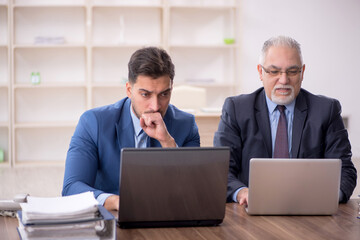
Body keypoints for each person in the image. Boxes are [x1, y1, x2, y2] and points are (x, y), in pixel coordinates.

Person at [214, 36, 357, 206]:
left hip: (311, 211)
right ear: (261, 72)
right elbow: (220, 169)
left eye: (292, 71)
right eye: (274, 71)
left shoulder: (326, 110)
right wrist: (241, 192)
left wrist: (329, 197)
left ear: (302, 72)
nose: (283, 80)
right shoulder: (236, 109)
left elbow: (345, 171)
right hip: (252, 210)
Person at [62, 47, 200, 210]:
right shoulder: (93, 122)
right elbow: (71, 188)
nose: (155, 106)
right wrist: (115, 201)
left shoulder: (186, 124)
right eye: (145, 94)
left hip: (167, 216)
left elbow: (195, 190)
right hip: (113, 218)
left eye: (164, 94)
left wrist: (167, 142)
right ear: (129, 90)